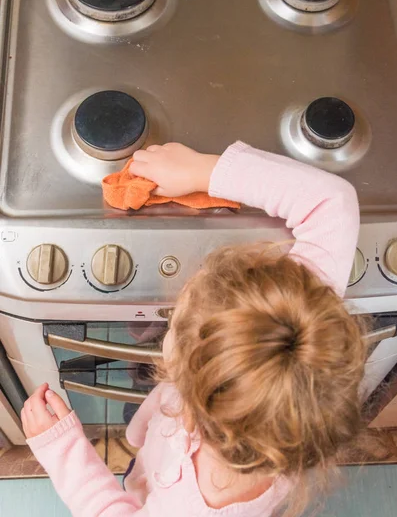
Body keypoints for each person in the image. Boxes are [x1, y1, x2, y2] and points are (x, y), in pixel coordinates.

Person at [21, 142, 367, 517]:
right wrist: (204, 171)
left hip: (153, 475)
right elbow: (334, 201)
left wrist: (61, 449)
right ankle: (139, 434)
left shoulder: (186, 507)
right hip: (164, 429)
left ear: (190, 405)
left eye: (173, 328)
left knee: (140, 443)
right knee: (142, 430)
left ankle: (137, 438)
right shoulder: (305, 313)